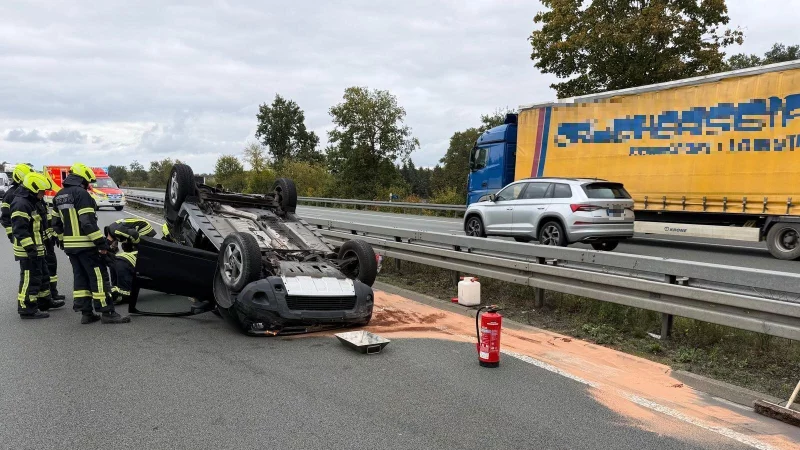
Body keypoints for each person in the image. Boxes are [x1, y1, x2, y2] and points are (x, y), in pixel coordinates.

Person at [52, 163, 130, 324]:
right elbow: (87, 222)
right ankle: (107, 312)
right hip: (87, 246)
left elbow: (55, 224)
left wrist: (64, 241)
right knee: (98, 277)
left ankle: (86, 313)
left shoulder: (58, 195)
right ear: (83, 179)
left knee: (81, 278)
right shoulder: (82, 194)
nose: (89, 185)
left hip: (71, 248)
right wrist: (101, 244)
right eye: (88, 182)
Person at [11, 172, 65, 319]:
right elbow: (20, 230)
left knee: (42, 276)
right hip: (28, 251)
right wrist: (30, 248)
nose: (43, 194)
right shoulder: (21, 204)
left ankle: (44, 301)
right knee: (29, 279)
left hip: (38, 248)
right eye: (41, 191)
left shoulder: (31, 202)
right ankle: (26, 309)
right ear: (33, 189)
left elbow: (39, 227)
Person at [1, 164, 33, 243]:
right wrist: (11, 235)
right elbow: (5, 218)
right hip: (21, 236)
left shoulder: (30, 193)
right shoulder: (9, 195)